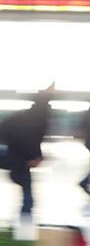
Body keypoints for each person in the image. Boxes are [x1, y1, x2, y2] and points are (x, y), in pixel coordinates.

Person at [0, 87, 52, 222]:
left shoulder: (21, 115)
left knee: (27, 194)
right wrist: (35, 156)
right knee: (28, 199)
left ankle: (22, 224)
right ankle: (24, 228)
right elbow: (33, 139)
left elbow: (4, 130)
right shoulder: (40, 120)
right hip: (20, 160)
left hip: (13, 156)